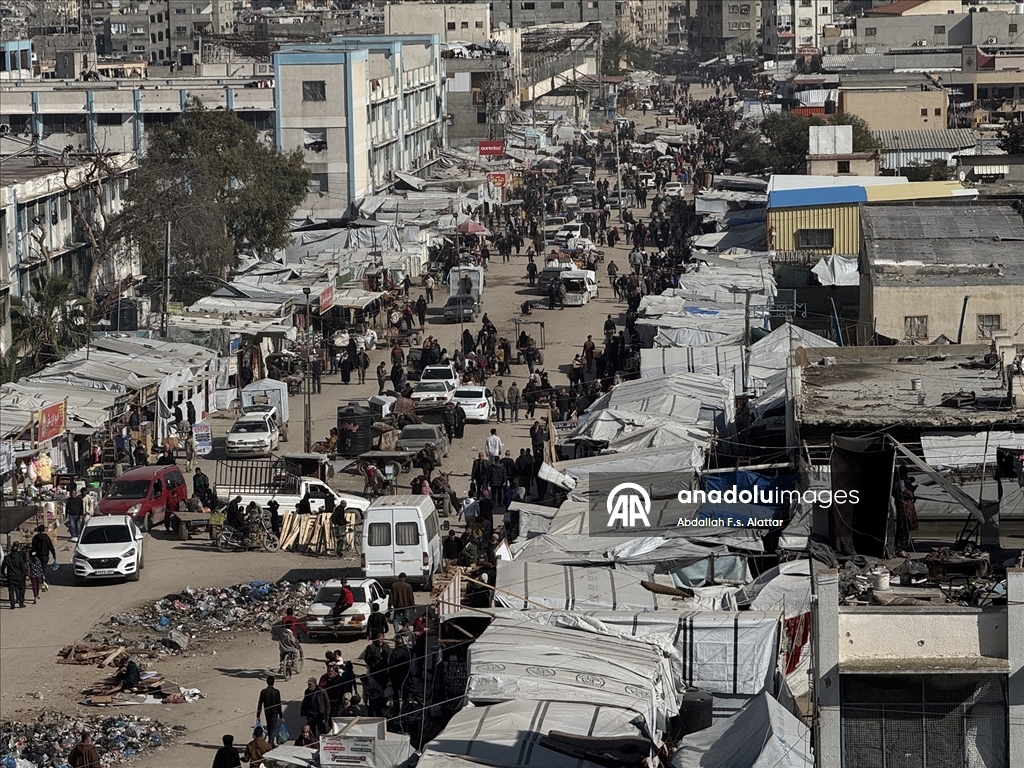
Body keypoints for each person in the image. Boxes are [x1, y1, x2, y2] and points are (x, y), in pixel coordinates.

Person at [256, 676, 282, 745]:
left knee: (269, 725)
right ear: (273, 682)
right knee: (273, 727)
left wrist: (258, 715)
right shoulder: (276, 692)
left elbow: (260, 704)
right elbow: (279, 704)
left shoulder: (263, 692)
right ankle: (270, 742)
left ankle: (271, 741)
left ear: (266, 682)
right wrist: (281, 716)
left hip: (267, 712)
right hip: (274, 712)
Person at [389, 635, 412, 713]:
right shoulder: (407, 651)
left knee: (396, 696)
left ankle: (396, 711)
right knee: (405, 695)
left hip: (396, 678)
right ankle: (405, 710)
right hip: (405, 677)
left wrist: (391, 677)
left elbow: (391, 666)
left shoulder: (394, 653)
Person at [1, 542, 27, 609]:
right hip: (19, 576)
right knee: (21, 589)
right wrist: (24, 574)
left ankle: (12, 604)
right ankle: (21, 603)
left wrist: (2, 573)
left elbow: (3, 566)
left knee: (11, 590)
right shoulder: (19, 557)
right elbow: (22, 567)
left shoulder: (7, 558)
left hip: (10, 576)